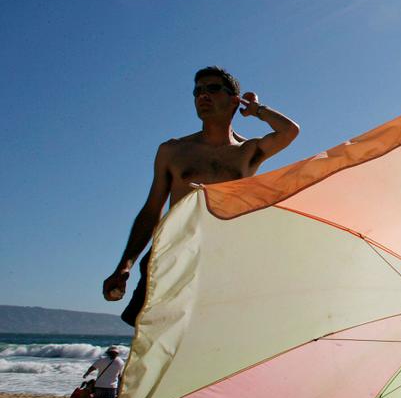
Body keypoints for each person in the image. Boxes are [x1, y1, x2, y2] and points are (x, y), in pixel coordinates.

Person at [102, 67, 300, 325]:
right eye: (197, 91)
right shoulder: (172, 151)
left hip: (223, 258)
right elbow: (152, 210)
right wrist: (125, 264)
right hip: (173, 254)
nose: (202, 96)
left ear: (234, 100)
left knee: (215, 336)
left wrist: (256, 109)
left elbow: (289, 131)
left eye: (213, 89)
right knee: (153, 335)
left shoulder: (247, 151)